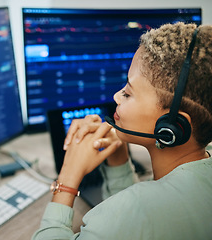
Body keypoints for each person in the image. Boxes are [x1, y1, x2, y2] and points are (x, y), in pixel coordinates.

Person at [32, 22, 212, 240]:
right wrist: (118, 156)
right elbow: (130, 225)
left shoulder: (138, 211)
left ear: (173, 126)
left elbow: (134, 215)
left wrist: (68, 178)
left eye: (128, 92)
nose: (116, 96)